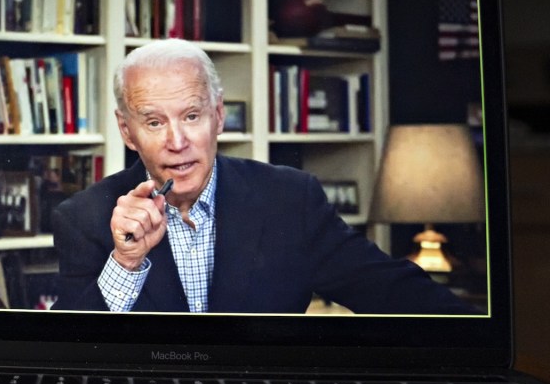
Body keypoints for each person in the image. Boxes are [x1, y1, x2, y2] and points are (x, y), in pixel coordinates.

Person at [51, 39, 477, 314]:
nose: (177, 141)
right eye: (154, 122)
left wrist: (484, 337)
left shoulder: (290, 199)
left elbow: (388, 290)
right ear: (127, 131)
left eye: (192, 115)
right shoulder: (84, 217)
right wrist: (125, 263)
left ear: (218, 116)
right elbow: (65, 351)